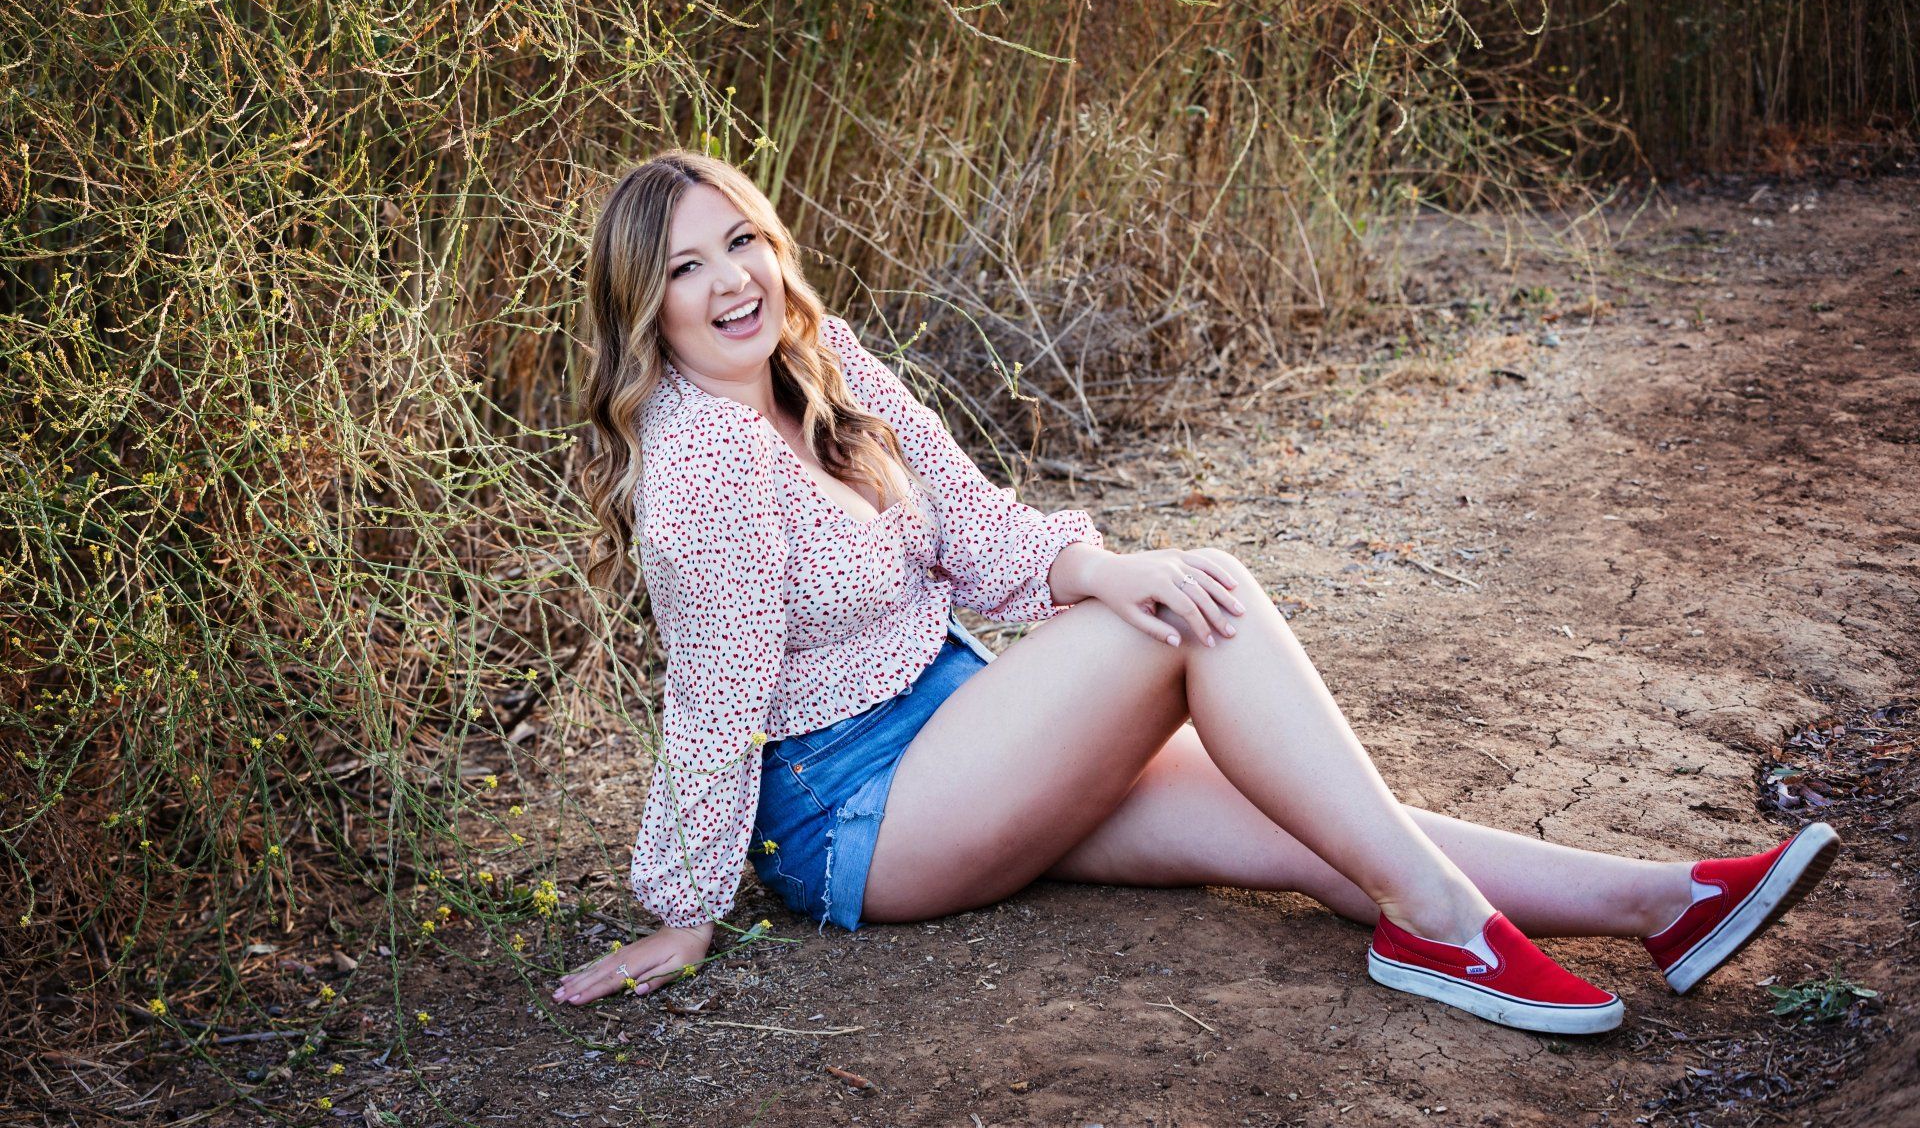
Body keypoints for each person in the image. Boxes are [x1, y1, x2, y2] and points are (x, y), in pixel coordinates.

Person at [557, 149, 1839, 1034]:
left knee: (1301, 813)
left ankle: (1662, 902)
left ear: (777, 250)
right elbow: (713, 694)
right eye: (684, 268)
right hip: (856, 813)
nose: (731, 283)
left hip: (963, 731)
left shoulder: (823, 365)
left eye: (742, 242)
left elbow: (984, 527)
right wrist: (682, 909)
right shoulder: (702, 464)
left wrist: (1097, 563)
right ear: (645, 308)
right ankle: (1441, 923)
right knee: (1193, 603)